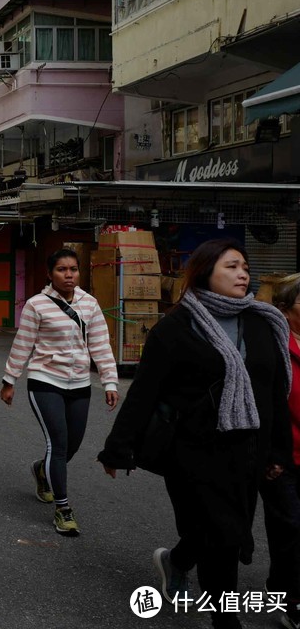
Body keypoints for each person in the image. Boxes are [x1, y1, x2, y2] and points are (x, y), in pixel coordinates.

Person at [98, 238, 291, 629]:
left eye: (245, 267)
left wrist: (277, 452)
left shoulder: (262, 322)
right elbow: (146, 391)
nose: (243, 274)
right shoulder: (177, 327)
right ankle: (226, 621)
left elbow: (274, 393)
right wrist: (118, 448)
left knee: (219, 531)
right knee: (223, 536)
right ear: (206, 272)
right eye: (232, 267)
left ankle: (178, 560)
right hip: (193, 451)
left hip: (248, 449)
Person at [0, 248, 119, 537]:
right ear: (50, 274)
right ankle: (63, 509)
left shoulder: (89, 304)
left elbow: (101, 345)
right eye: (62, 270)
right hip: (45, 380)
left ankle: (42, 470)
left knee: (72, 446)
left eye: (73, 269)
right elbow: (23, 343)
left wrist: (110, 381)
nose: (69, 275)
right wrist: (10, 380)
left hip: (79, 383)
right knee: (59, 443)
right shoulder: (36, 305)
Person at [262, 273, 300, 628]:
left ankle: (281, 587)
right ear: (287, 309)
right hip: (282, 455)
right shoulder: (272, 344)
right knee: (289, 527)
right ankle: (288, 598)